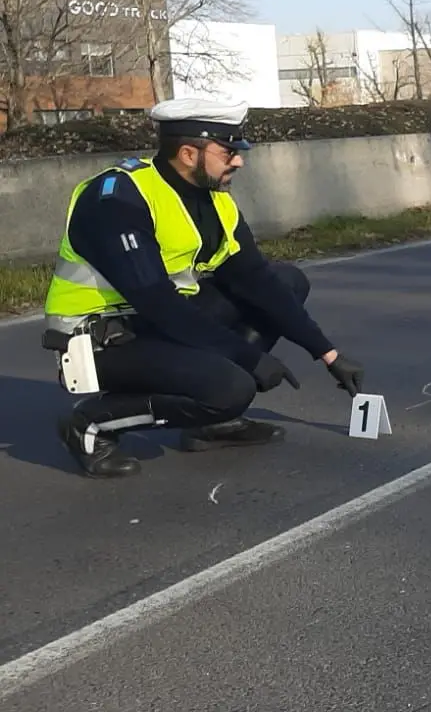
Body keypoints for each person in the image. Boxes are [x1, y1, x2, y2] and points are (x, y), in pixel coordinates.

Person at [41, 97, 364, 479]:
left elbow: (255, 279)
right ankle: (91, 424)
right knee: (231, 388)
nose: (239, 161)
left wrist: (327, 354)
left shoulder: (214, 198)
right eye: (229, 152)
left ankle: (210, 423)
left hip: (159, 324)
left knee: (287, 282)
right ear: (188, 152)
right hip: (101, 340)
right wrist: (248, 357)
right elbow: (158, 302)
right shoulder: (116, 199)